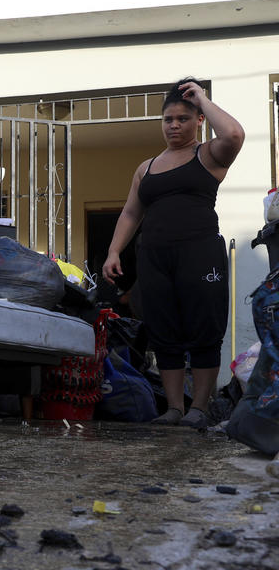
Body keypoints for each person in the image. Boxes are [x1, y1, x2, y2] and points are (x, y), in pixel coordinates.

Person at [102, 78, 245, 427]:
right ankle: (174, 408)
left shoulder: (209, 154)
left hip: (199, 253)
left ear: (198, 121)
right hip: (154, 257)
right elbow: (131, 212)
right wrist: (113, 251)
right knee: (164, 331)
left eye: (183, 118)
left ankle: (199, 408)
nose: (174, 125)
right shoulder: (146, 167)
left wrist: (202, 99)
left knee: (203, 329)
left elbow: (234, 134)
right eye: (168, 119)